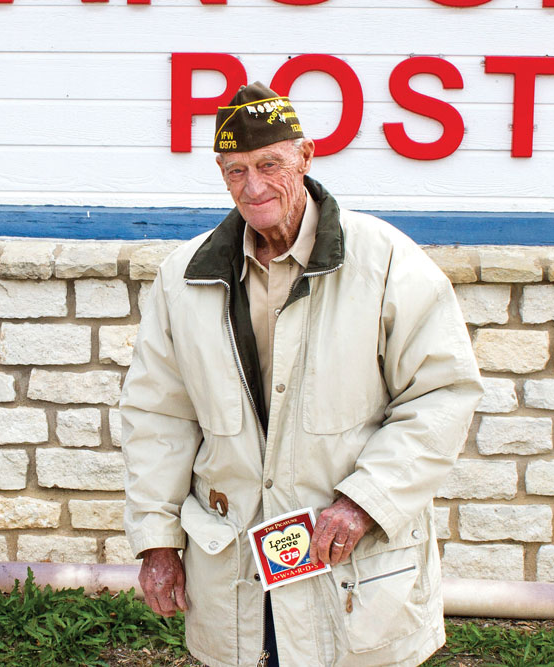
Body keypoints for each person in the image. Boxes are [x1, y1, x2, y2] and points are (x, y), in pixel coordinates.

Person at [120, 81, 483, 667]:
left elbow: (442, 394)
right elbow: (159, 414)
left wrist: (366, 500)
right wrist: (157, 539)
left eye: (269, 164)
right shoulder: (181, 277)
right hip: (231, 556)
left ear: (306, 157)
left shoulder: (385, 259)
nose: (254, 186)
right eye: (235, 171)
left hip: (345, 555)